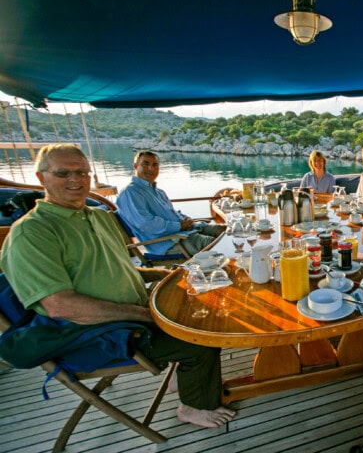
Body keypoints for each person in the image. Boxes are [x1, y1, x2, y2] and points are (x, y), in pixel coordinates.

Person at [0, 144, 235, 428]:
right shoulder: (32, 232)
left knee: (207, 303)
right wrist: (146, 315)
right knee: (202, 337)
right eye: (63, 173)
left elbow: (120, 268)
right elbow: (60, 306)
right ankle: (194, 406)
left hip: (134, 311)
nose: (76, 180)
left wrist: (165, 273)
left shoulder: (97, 216)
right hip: (92, 333)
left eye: (82, 172)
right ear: (41, 178)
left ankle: (182, 372)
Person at [117, 150, 224, 256]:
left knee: (227, 230)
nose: (151, 168)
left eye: (155, 165)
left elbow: (170, 213)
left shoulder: (158, 192)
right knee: (222, 245)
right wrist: (179, 226)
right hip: (169, 242)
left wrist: (186, 219)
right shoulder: (130, 193)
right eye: (145, 164)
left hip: (184, 231)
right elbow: (147, 224)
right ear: (135, 166)